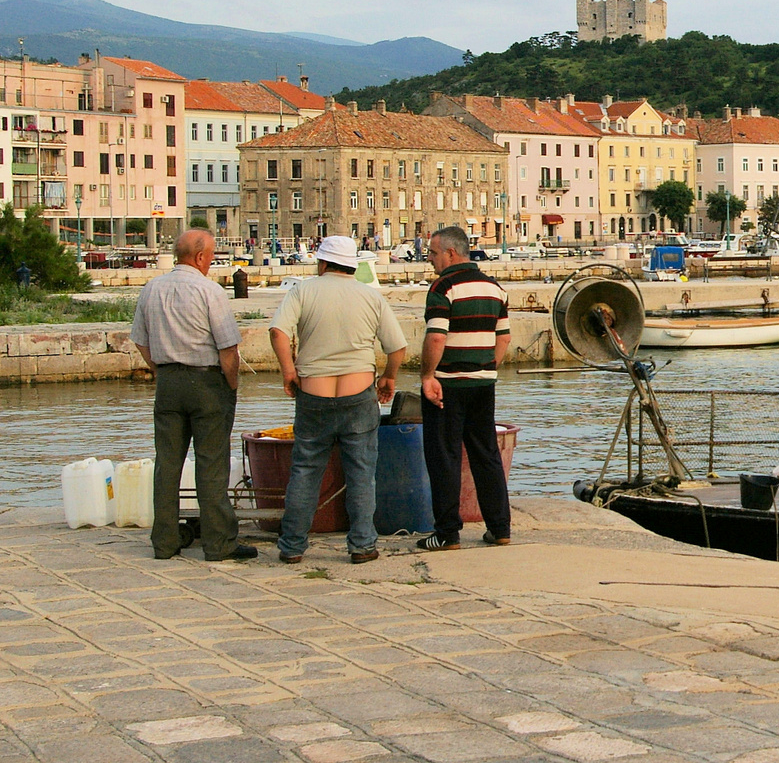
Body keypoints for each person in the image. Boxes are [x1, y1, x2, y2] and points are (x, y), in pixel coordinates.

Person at [269, 235, 407, 564]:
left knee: (304, 470)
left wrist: (289, 371)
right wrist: (388, 377)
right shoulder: (369, 296)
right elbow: (397, 347)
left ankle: (292, 547)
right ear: (353, 265)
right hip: (358, 396)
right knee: (360, 473)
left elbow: (277, 332)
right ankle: (361, 546)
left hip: (313, 395)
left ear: (322, 262)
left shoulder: (303, 290)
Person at [130, 228, 256, 561]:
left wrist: (159, 369)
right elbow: (228, 348)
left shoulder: (151, 288)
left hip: (168, 383)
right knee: (211, 464)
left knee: (167, 464)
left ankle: (165, 542)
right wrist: (231, 385)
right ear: (200, 257)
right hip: (207, 383)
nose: (212, 261)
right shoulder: (209, 291)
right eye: (211, 255)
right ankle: (219, 544)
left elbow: (140, 340)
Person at [416, 226, 511, 551]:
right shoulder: (494, 288)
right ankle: (499, 528)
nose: (430, 259)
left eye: (432, 253)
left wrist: (428, 376)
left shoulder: (443, 287)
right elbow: (504, 338)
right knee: (486, 453)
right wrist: (487, 366)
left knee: (445, 456)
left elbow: (437, 337)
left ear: (450, 253)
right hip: (483, 384)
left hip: (448, 384)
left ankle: (446, 533)